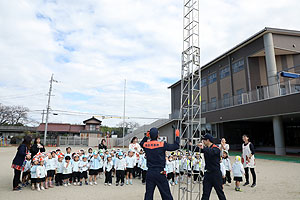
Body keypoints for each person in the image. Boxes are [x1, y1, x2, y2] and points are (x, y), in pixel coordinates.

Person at [140, 127, 180, 200]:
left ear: (150, 135)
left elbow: (141, 143)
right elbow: (175, 146)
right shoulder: (162, 144)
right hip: (160, 172)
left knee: (148, 194)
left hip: (150, 172)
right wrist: (177, 136)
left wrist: (146, 137)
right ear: (158, 135)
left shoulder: (146, 145)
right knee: (166, 194)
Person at [198, 134, 226, 200]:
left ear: (208, 140)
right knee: (205, 194)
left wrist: (203, 148)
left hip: (215, 174)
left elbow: (212, 152)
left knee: (220, 193)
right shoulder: (206, 148)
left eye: (204, 140)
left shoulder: (216, 148)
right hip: (207, 174)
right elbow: (199, 149)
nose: (203, 142)